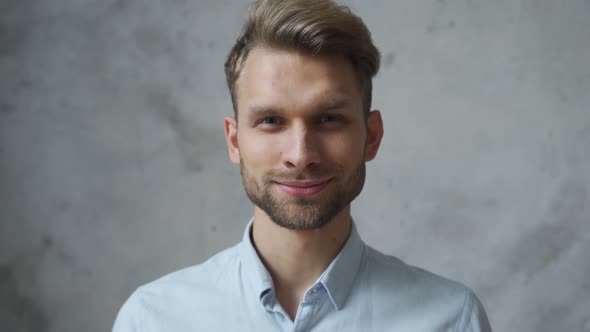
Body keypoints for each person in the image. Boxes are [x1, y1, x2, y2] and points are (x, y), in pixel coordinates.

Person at [113, 0, 492, 331]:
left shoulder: (451, 320)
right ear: (234, 141)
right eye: (271, 121)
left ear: (371, 136)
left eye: (328, 119)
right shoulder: (152, 320)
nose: (300, 153)